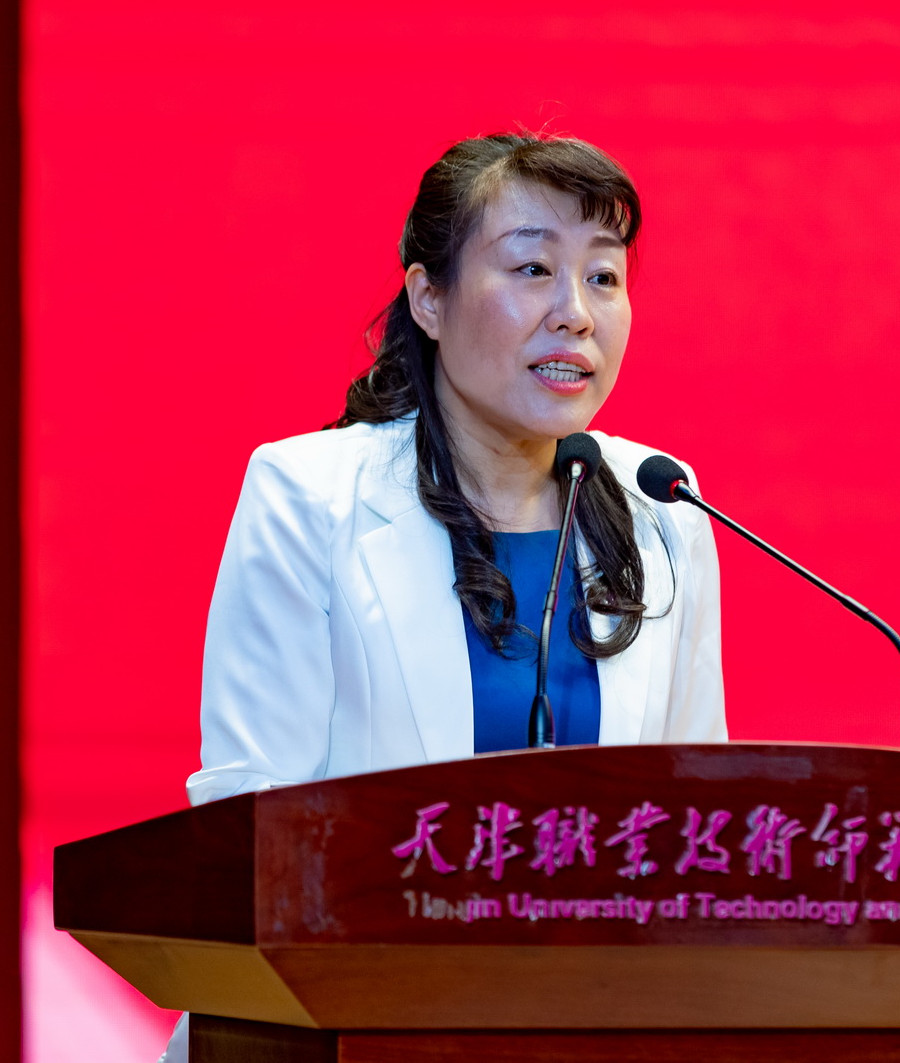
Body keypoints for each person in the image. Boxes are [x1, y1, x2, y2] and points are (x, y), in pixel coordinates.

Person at [158, 133, 726, 1062]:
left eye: (603, 277)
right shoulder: (310, 497)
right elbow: (247, 825)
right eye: (533, 269)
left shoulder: (661, 507)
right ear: (428, 298)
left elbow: (696, 830)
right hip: (340, 1031)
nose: (575, 314)